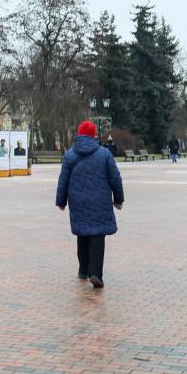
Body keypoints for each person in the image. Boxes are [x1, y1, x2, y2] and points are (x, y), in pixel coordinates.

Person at [55, 121, 124, 290]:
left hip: (78, 201)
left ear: (79, 135)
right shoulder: (105, 154)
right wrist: (119, 199)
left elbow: (63, 180)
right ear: (94, 136)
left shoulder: (70, 155)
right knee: (97, 236)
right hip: (100, 200)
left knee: (83, 233)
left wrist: (61, 201)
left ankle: (83, 269)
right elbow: (115, 178)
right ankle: (95, 273)